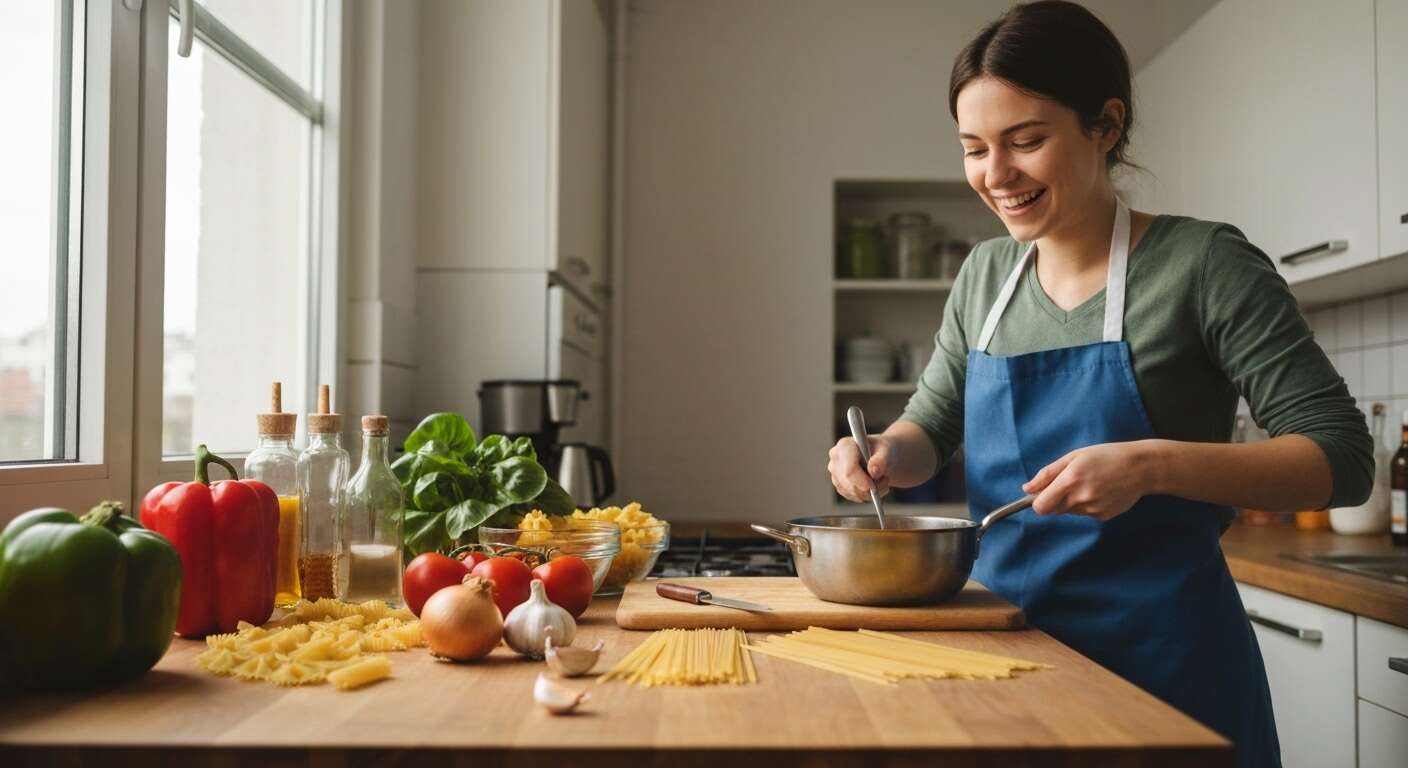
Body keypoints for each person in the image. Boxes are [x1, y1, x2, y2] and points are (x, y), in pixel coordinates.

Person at [825, 3, 1373, 767]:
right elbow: (931, 425)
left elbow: (1342, 457)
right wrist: (881, 451)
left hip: (1167, 667)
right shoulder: (985, 275)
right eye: (974, 148)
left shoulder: (1203, 263)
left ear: (1106, 126)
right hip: (1005, 651)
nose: (995, 175)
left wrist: (1151, 466)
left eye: (1026, 141)